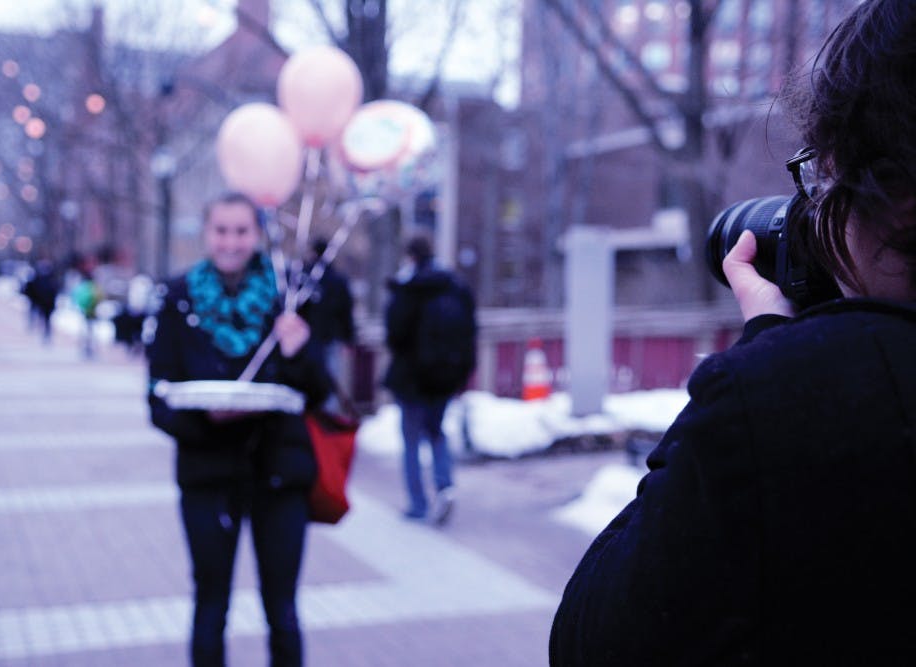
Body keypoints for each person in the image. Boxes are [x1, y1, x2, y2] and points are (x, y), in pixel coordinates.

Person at [549, 2, 916, 664]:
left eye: (825, 177)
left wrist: (774, 347)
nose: (814, 212)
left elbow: (591, 639)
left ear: (897, 190)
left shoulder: (791, 397)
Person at [147, 191, 330, 667]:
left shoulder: (289, 296)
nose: (231, 241)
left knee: (283, 610)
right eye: (221, 230)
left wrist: (300, 352)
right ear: (206, 233)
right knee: (210, 606)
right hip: (207, 475)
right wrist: (206, 420)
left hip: (278, 473)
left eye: (242, 231)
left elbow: (318, 391)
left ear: (257, 235)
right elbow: (158, 398)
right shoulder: (175, 297)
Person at [383, 235, 476, 525]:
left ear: (410, 256)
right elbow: (472, 331)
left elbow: (394, 334)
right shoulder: (456, 286)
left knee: (411, 439)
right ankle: (444, 485)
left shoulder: (408, 289)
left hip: (411, 378)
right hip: (445, 376)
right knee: (436, 432)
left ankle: (417, 502)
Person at [297, 237, 356, 405]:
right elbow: (346, 313)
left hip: (310, 339)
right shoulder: (337, 280)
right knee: (330, 381)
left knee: (313, 381)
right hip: (328, 338)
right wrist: (348, 339)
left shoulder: (305, 278)